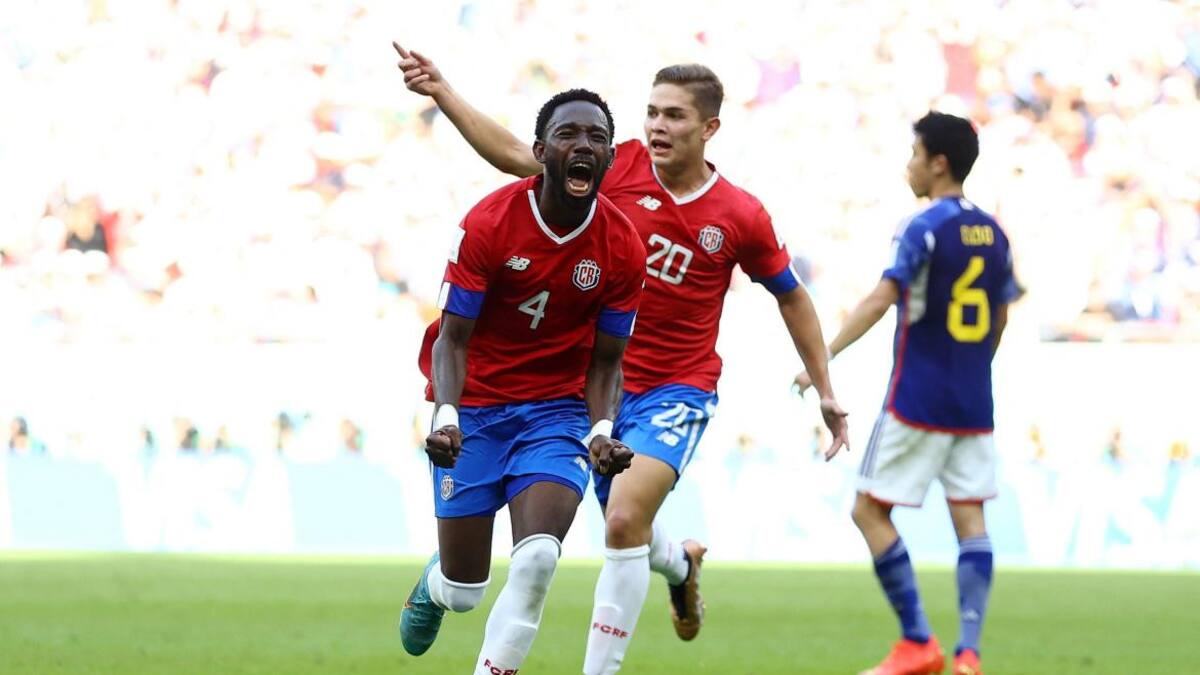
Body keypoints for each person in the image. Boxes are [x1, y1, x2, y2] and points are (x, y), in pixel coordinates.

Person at [393, 43, 850, 675]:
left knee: (614, 522)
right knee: (593, 538)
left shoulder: (739, 215)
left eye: (676, 117)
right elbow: (515, 157)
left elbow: (792, 297)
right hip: (587, 383)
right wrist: (443, 91)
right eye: (652, 113)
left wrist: (825, 386)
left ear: (710, 127)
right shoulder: (608, 165)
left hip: (670, 386)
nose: (658, 127)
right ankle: (679, 564)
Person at [400, 88, 645, 675]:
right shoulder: (489, 222)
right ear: (540, 151)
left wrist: (601, 430)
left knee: (537, 560)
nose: (583, 146)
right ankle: (436, 585)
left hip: (555, 413)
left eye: (596, 138)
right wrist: (448, 417)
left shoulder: (623, 247)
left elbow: (607, 362)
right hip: (477, 406)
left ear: (610, 158)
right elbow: (452, 339)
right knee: (465, 590)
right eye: (567, 135)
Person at [795, 112, 1019, 675]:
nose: (909, 165)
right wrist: (975, 368)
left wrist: (821, 358)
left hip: (916, 399)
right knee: (971, 520)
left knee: (868, 508)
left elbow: (882, 298)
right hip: (974, 403)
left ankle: (918, 639)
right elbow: (1000, 316)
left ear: (938, 163)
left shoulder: (921, 226)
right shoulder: (994, 232)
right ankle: (969, 652)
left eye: (914, 153)